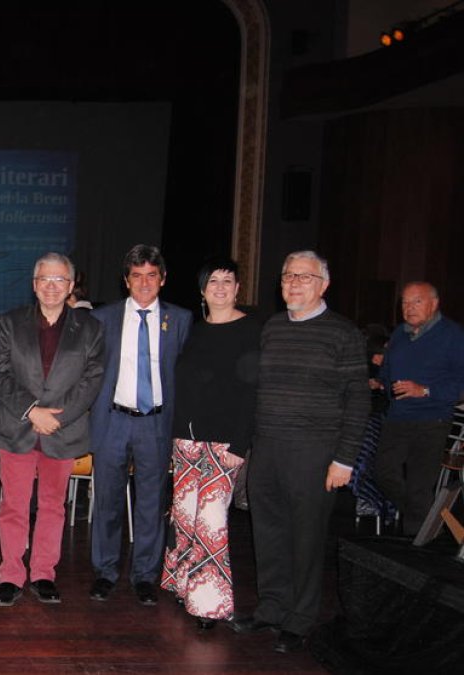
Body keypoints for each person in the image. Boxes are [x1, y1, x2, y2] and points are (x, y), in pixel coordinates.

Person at [231, 250, 369, 653]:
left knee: (306, 537)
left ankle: (301, 616)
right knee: (267, 531)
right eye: (288, 275)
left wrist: (344, 459)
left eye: (304, 277)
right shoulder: (271, 327)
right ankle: (272, 607)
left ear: (323, 285)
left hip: (315, 451)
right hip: (268, 447)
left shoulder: (343, 333)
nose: (293, 283)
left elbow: (358, 400)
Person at [0, 252, 105, 607]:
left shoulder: (91, 328)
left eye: (59, 280)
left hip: (61, 429)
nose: (51, 287)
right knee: (13, 506)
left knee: (53, 507)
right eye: (44, 280)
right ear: (34, 285)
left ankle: (42, 574)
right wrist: (31, 411)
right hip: (17, 428)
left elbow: (92, 379)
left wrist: (57, 416)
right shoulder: (9, 322)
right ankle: (10, 575)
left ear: (71, 286)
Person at [159, 257, 260, 630]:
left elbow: (253, 393)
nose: (220, 287)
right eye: (212, 280)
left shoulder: (253, 330)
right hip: (186, 440)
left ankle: (208, 605)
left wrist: (240, 443)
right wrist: (174, 437)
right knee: (184, 517)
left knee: (211, 522)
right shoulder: (194, 331)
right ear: (202, 290)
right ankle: (182, 583)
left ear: (237, 288)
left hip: (224, 443)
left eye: (227, 281)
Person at [88, 244, 192, 606]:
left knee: (151, 502)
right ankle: (104, 572)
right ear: (126, 281)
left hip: (157, 423)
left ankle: (145, 576)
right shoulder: (103, 318)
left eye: (151, 275)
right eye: (136, 276)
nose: (144, 283)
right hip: (113, 420)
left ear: (163, 279)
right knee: (107, 501)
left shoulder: (181, 320)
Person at [373, 282, 464, 535]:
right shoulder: (400, 334)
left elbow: (460, 386)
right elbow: (389, 370)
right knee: (383, 473)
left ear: (434, 304)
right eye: (404, 302)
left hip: (431, 420)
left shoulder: (453, 335)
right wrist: (381, 380)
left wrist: (423, 390)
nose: (408, 307)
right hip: (398, 418)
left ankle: (416, 543)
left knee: (418, 486)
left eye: (417, 301)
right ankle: (428, 518)